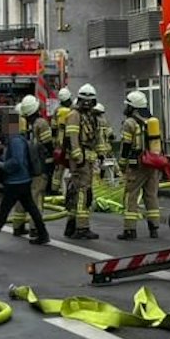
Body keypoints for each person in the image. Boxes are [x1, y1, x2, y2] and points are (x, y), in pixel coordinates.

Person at [0, 114, 48, 249]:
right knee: (30, 208)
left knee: (4, 211)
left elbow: (17, 161)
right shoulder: (16, 139)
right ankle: (43, 234)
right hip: (21, 180)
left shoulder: (16, 141)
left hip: (16, 181)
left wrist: (1, 165)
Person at [116, 92, 164, 240]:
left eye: (128, 105)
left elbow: (126, 146)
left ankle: (130, 230)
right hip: (153, 164)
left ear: (133, 107)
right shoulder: (152, 120)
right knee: (151, 196)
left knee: (131, 195)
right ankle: (154, 228)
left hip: (137, 165)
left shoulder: (130, 123)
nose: (126, 107)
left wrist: (122, 165)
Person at [63, 85, 106, 240]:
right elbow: (72, 138)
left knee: (77, 191)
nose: (87, 104)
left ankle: (71, 224)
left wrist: (101, 154)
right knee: (84, 192)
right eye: (85, 100)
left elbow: (98, 137)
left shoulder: (92, 116)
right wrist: (78, 157)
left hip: (88, 157)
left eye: (90, 100)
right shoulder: (74, 115)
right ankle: (82, 227)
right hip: (80, 159)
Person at [11, 95, 54, 240]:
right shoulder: (41, 123)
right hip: (37, 166)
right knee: (36, 196)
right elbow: (48, 144)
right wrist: (51, 162)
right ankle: (36, 229)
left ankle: (18, 226)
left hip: (22, 166)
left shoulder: (15, 121)